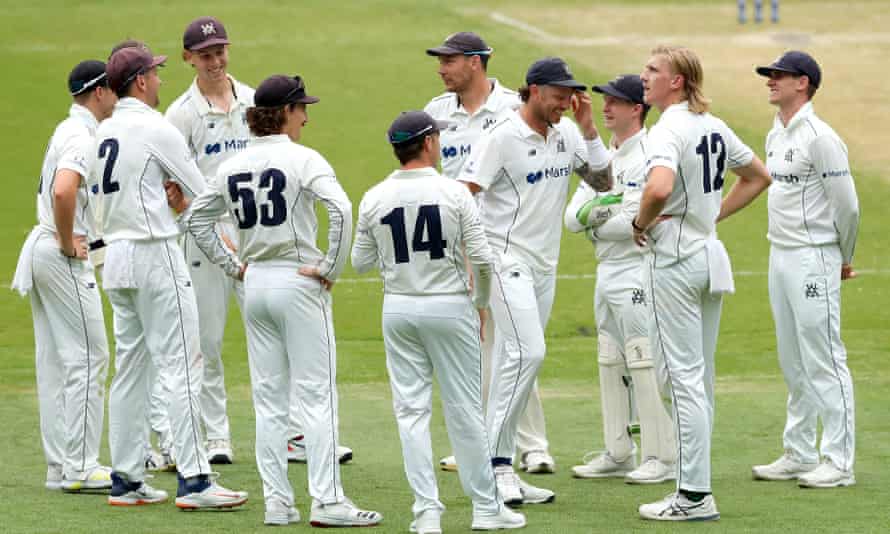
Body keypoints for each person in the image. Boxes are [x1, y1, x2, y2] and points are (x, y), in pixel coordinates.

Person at [179, 73, 381, 527]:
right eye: (301, 108)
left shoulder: (230, 166)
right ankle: (327, 502)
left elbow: (196, 221)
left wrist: (234, 267)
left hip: (257, 287)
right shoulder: (303, 158)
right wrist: (330, 266)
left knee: (269, 401)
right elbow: (342, 209)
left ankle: (278, 503)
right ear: (285, 113)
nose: (306, 117)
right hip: (297, 281)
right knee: (317, 396)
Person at [351, 110, 526, 533]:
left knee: (411, 412)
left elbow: (359, 263)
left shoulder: (374, 197)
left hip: (398, 308)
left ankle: (426, 512)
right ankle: (486, 508)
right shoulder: (453, 192)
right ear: (428, 143)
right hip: (449, 306)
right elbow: (482, 258)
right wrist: (481, 303)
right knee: (465, 409)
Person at [90, 45, 247, 509]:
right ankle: (196, 480)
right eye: (155, 74)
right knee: (183, 364)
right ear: (140, 81)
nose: (160, 80)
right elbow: (204, 192)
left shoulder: (103, 132)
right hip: (155, 253)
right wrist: (215, 233)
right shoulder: (156, 128)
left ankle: (126, 477)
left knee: (131, 370)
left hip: (116, 258)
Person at [457, 56, 612, 506]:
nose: (567, 101)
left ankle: (500, 465)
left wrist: (588, 128)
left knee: (514, 358)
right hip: (504, 262)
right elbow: (466, 195)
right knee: (529, 352)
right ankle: (495, 465)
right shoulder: (501, 137)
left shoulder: (566, 132)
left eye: (570, 94)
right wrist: (471, 258)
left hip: (544, 267)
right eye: (560, 94)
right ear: (535, 90)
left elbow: (604, 181)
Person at [633, 45, 771, 521]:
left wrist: (640, 223)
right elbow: (757, 176)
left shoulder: (666, 129)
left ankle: (693, 495)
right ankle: (695, 488)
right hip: (709, 258)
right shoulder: (713, 125)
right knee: (697, 379)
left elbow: (658, 188)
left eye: (653, 70)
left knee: (683, 380)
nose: (644, 76)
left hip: (675, 260)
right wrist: (711, 216)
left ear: (677, 81)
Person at [424, 31, 555, 475]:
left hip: (506, 242)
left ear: (476, 63)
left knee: (518, 343)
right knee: (479, 343)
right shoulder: (436, 113)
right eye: (440, 61)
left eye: (450, 61)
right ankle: (480, 443)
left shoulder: (510, 111)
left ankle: (532, 445)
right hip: (457, 242)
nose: (442, 68)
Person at [751, 51, 858, 488]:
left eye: (779, 75)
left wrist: (843, 257)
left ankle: (839, 461)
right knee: (792, 358)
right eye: (770, 75)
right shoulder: (775, 133)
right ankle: (798, 451)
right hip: (780, 254)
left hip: (815, 255)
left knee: (823, 357)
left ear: (804, 83)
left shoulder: (820, 136)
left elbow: (847, 204)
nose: (770, 81)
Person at [565, 74, 677, 484]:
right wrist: (605, 213)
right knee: (610, 357)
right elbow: (571, 219)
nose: (606, 108)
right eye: (605, 101)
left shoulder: (649, 152)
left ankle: (660, 455)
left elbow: (636, 219)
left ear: (637, 109)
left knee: (642, 358)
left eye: (615, 101)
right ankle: (617, 450)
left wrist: (600, 212)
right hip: (606, 267)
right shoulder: (601, 158)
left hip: (637, 267)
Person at [11, 59, 117, 493]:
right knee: (91, 357)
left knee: (57, 363)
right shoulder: (80, 134)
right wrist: (66, 238)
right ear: (98, 92)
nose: (118, 95)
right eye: (113, 88)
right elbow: (63, 188)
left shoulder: (66, 128)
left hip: (41, 252)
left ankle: (61, 465)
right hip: (60, 254)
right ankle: (80, 465)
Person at [164, 15, 251, 465]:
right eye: (205, 55)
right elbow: (172, 186)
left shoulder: (254, 102)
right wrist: (206, 226)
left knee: (272, 332)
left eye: (220, 51)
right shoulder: (179, 114)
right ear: (187, 59)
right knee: (208, 340)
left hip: (256, 234)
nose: (215, 61)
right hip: (203, 236)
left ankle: (295, 431)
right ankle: (217, 436)